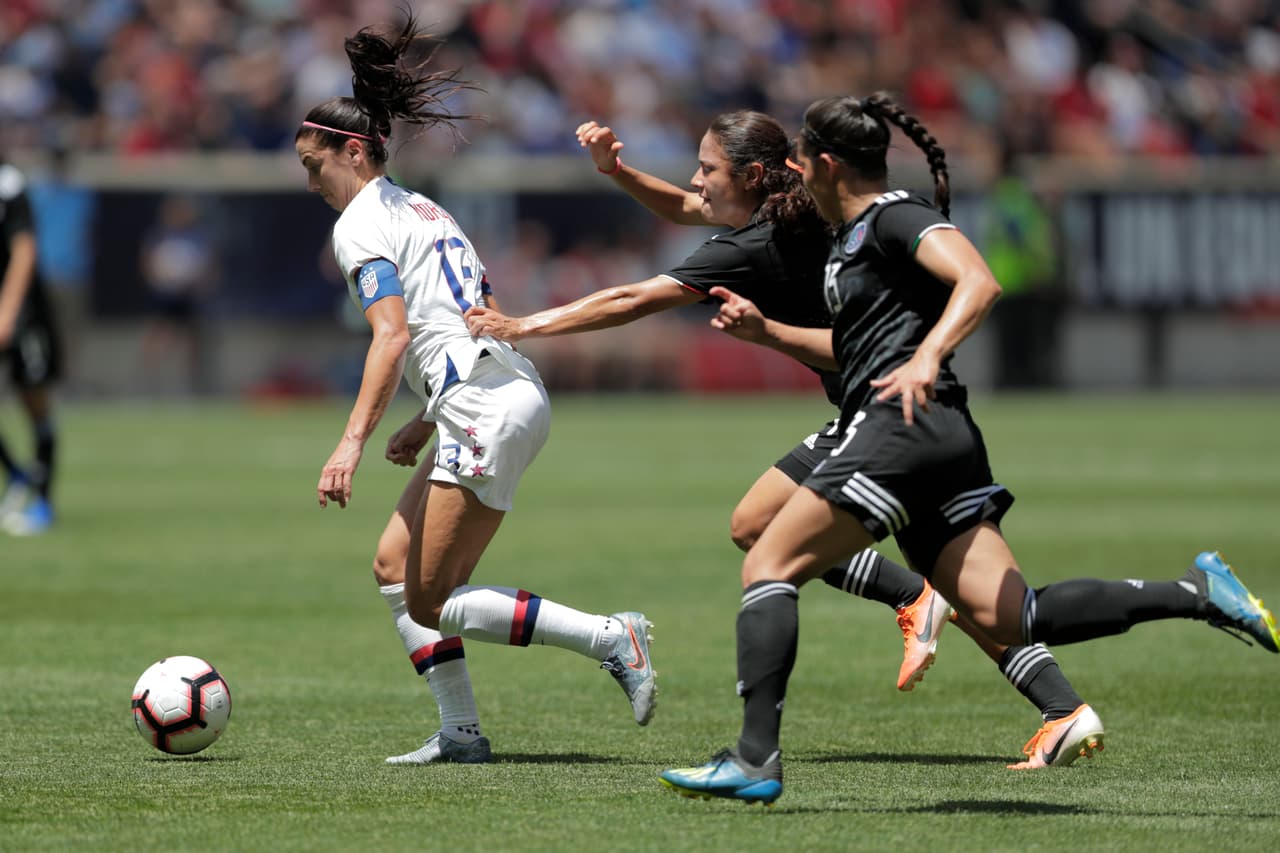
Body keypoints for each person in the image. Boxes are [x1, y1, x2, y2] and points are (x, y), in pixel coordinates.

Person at [659, 92, 1280, 805]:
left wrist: (928, 356)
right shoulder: (851, 239)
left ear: (829, 165)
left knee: (768, 557)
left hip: (903, 425)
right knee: (1014, 617)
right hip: (936, 435)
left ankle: (753, 757)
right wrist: (768, 334)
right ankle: (1200, 595)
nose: (794, 172)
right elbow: (851, 347)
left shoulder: (894, 215)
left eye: (801, 159)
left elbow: (979, 282)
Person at [465, 112, 1103, 768]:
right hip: (895, 404)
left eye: (708, 168)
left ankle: (935, 627)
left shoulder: (754, 243)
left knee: (827, 548)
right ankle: (1055, 701)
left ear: (748, 176)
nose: (695, 181)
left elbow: (633, 297)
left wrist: (521, 324)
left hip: (882, 417)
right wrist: (617, 171)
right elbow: (690, 205)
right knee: (793, 531)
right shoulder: (800, 208)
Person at [294, 12, 656, 765]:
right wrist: (424, 421)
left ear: (352, 151)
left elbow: (393, 334)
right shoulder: (423, 207)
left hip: (486, 405)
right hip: (488, 392)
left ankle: (609, 636)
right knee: (395, 568)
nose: (310, 180)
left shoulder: (360, 224)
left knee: (434, 597)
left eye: (313, 164)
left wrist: (349, 442)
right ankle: (460, 732)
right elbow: (456, 322)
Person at [0, 156, 62, 536]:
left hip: (25, 314)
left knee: (34, 400)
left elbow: (24, 249)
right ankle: (17, 475)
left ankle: (43, 500)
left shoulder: (8, 182)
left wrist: (7, 311)